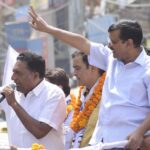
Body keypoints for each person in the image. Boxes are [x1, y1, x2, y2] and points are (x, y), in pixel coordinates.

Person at [29, 7, 150, 150]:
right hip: (100, 142)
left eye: (114, 41)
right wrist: (48, 29)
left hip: (128, 144)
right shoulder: (110, 58)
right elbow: (82, 43)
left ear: (129, 43)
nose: (109, 45)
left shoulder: (147, 70)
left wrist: (139, 132)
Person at [1, 52, 66, 150]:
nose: (12, 78)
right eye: (13, 72)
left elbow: (39, 131)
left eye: (18, 73)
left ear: (35, 75)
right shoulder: (10, 92)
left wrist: (14, 104)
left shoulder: (54, 94)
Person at [64, 51, 105, 149]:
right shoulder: (76, 94)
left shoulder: (108, 95)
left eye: (77, 68)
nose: (74, 73)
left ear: (93, 68)